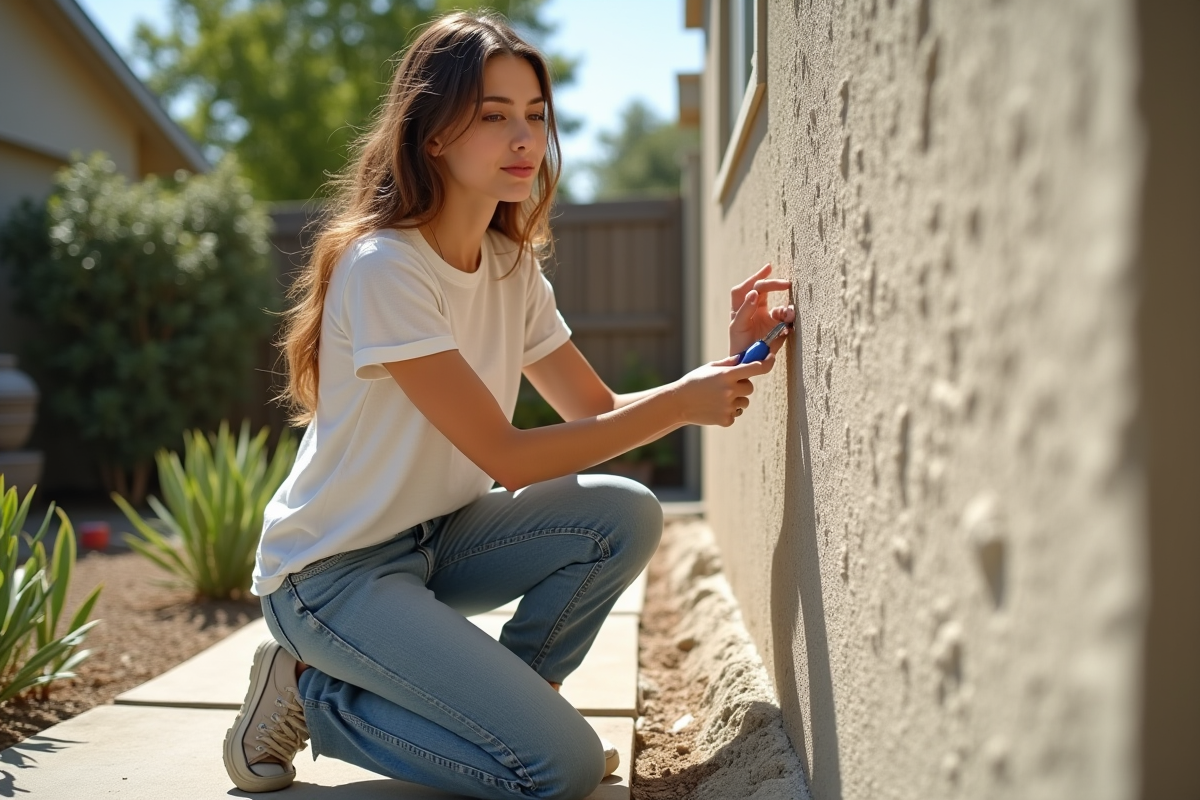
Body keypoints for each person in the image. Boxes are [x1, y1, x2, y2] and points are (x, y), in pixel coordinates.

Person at [221, 10, 794, 800]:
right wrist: (679, 404)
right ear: (433, 136)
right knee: (558, 772)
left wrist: (724, 365)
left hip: (439, 540)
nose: (524, 138)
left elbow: (592, 410)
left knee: (623, 513)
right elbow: (510, 457)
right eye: (494, 117)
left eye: (535, 116)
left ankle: (511, 706)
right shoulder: (386, 268)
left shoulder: (508, 266)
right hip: (332, 575)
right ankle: (312, 694)